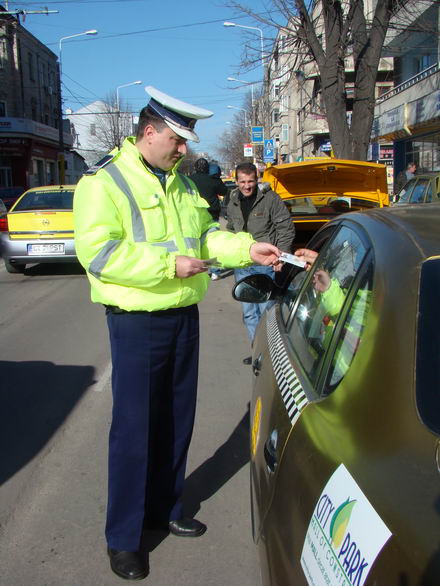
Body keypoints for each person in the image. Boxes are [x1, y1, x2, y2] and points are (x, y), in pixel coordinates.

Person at [73, 86, 280, 581]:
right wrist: (169, 265)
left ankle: (165, 509)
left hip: (183, 316)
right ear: (149, 132)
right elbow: (98, 253)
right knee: (134, 430)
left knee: (175, 421)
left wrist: (248, 248)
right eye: (177, 140)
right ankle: (124, 537)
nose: (184, 149)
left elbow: (206, 236)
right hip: (137, 322)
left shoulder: (182, 184)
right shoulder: (104, 182)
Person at [226, 162, 295, 364]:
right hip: (242, 264)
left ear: (257, 180)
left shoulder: (270, 198)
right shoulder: (233, 200)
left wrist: (281, 256)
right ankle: (257, 352)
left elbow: (285, 228)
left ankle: (271, 356)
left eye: (251, 181)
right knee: (249, 313)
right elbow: (231, 228)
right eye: (242, 182)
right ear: (236, 181)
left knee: (267, 312)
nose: (247, 186)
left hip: (266, 263)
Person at [189, 158, 227, 280]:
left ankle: (196, 269)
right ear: (207, 168)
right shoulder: (213, 179)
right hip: (211, 217)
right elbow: (224, 191)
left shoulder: (188, 180)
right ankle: (215, 271)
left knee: (193, 245)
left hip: (193, 217)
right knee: (212, 246)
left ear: (195, 168)